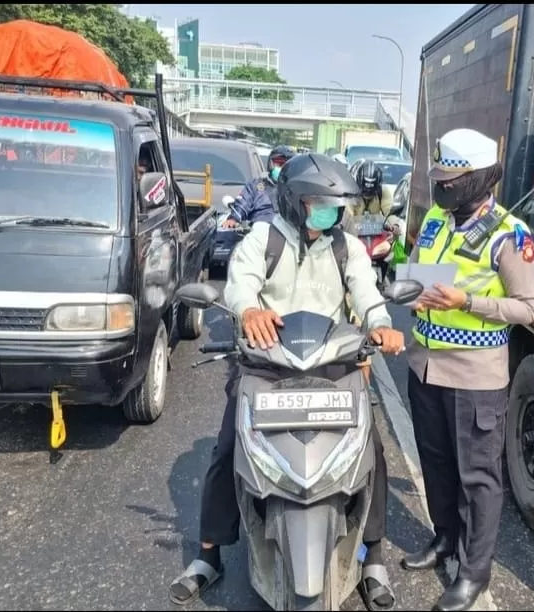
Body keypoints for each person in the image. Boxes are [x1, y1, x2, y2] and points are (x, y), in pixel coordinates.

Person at [169, 152, 405, 611]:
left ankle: (373, 557)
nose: (332, 213)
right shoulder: (263, 238)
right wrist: (249, 310)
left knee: (371, 453)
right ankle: (208, 554)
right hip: (267, 366)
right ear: (296, 201)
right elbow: (240, 284)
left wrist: (381, 324)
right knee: (227, 450)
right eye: (322, 203)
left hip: (334, 364)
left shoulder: (346, 246)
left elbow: (368, 296)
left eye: (337, 206)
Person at [400, 128, 534, 611]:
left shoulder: (509, 234)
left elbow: (527, 308)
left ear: (479, 179)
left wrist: (469, 302)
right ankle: (443, 537)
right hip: (425, 367)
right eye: (439, 176)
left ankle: (473, 572)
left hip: (475, 377)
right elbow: (416, 273)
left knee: (478, 477)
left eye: (451, 178)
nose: (441, 186)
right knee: (435, 463)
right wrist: (405, 292)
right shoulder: (438, 221)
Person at [222, 144, 294, 228]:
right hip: (258, 233)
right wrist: (233, 219)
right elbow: (243, 204)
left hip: (287, 235)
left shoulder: (296, 189)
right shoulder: (256, 186)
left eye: (285, 165)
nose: (281, 168)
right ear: (270, 164)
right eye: (278, 164)